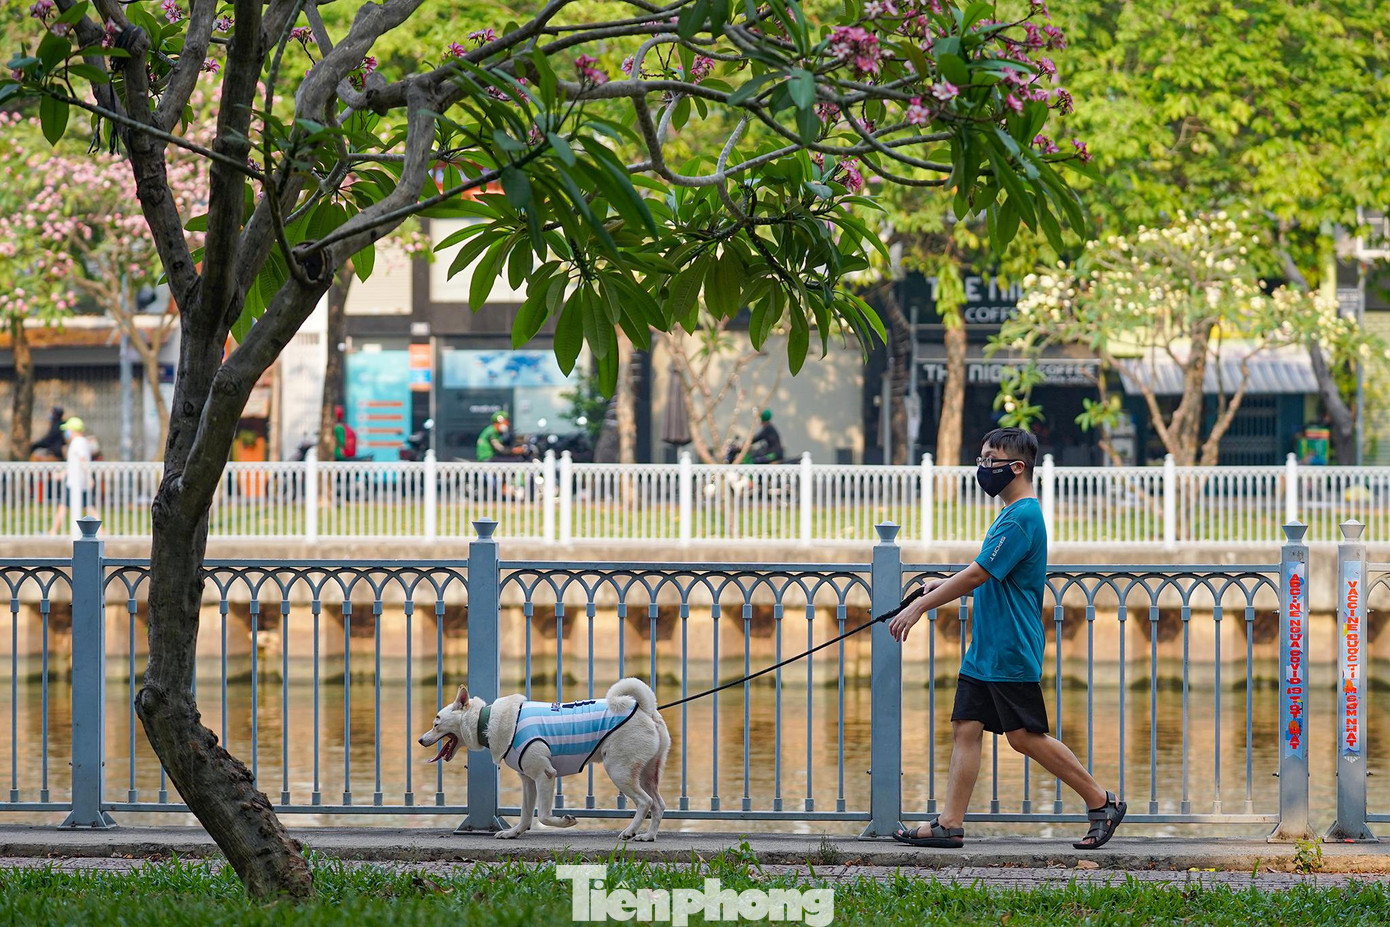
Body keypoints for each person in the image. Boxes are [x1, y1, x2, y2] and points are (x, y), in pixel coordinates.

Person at [886, 427, 1126, 851]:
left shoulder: (1022, 517)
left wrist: (920, 607)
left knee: (1024, 737)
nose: (982, 469)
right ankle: (949, 824)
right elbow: (986, 574)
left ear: (1016, 467)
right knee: (965, 727)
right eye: (980, 459)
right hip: (986, 650)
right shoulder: (1009, 514)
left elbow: (979, 574)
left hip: (1010, 648)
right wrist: (938, 586)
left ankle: (1101, 800)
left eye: (989, 460)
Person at [50, 417, 97, 535]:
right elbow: (74, 463)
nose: (66, 433)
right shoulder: (83, 442)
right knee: (87, 506)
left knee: (65, 505)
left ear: (72, 430)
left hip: (76, 482)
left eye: (68, 430)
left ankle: (54, 531)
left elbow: (82, 460)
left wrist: (89, 476)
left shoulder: (77, 442)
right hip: (78, 481)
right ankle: (101, 531)